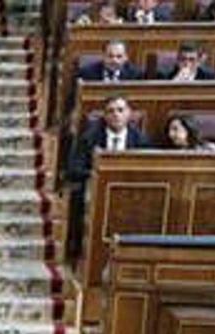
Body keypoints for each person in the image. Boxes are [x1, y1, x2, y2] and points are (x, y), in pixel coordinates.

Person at [66, 96, 148, 260]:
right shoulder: (89, 137)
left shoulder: (140, 140)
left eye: (120, 110)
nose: (116, 115)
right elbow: (73, 169)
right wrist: (98, 175)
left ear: (129, 114)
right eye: (111, 111)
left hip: (129, 192)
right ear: (104, 116)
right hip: (95, 190)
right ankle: (85, 252)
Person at [78, 40, 144, 83]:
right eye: (110, 56)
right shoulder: (86, 73)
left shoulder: (135, 75)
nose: (114, 60)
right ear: (103, 56)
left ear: (126, 57)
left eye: (119, 56)